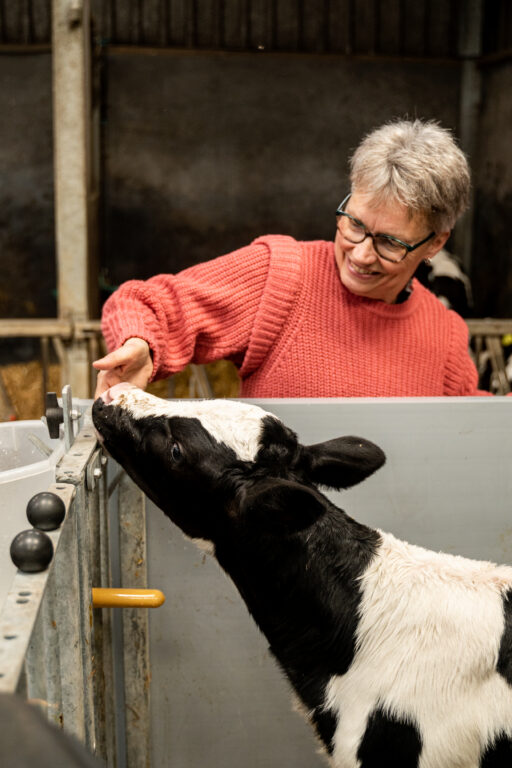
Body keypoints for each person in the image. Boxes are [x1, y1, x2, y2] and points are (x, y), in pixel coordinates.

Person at [93, 118, 494, 399]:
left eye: (390, 243)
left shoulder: (444, 334)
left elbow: (468, 427)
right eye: (354, 223)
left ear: (435, 244)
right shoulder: (282, 277)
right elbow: (148, 303)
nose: (361, 252)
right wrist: (140, 341)